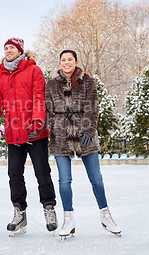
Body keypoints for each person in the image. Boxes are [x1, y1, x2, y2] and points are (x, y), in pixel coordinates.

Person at [45, 49, 121, 239]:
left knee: (96, 178)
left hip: (84, 131)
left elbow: (93, 107)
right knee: (64, 180)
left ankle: (105, 215)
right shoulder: (51, 84)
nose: (66, 63)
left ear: (76, 61)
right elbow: (47, 110)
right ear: (60, 63)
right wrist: (41, 127)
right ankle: (68, 219)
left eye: (70, 59)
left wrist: (88, 130)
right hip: (61, 134)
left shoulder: (87, 81)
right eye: (63, 60)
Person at [0, 37, 57, 236]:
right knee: (14, 175)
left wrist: (37, 122)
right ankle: (19, 212)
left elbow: (39, 97)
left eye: (12, 48)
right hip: (13, 133)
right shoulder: (0, 75)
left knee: (42, 173)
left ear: (20, 51)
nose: (8, 51)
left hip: (35, 132)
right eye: (6, 48)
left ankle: (49, 209)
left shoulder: (34, 70)